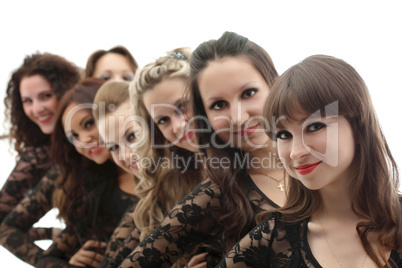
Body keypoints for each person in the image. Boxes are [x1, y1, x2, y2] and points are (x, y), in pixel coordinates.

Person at [119, 31, 285, 267]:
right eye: (163, 120)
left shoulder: (315, 156)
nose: (237, 117)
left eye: (182, 106)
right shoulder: (211, 193)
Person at [217, 55, 402, 267]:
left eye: (314, 127)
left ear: (359, 128)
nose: (296, 152)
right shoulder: (272, 240)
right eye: (284, 135)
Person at [96, 49, 223, 268]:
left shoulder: (252, 161)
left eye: (182, 105)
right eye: (163, 120)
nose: (178, 125)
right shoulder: (163, 190)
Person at [8, 77, 139, 268]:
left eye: (88, 124)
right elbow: (48, 259)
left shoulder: (159, 169)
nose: (84, 139)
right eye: (73, 137)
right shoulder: (96, 189)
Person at [1, 52, 80, 226]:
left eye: (46, 96)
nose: (37, 109)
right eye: (27, 101)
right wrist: (52, 235)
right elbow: (3, 224)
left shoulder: (102, 138)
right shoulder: (39, 157)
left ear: (66, 92)